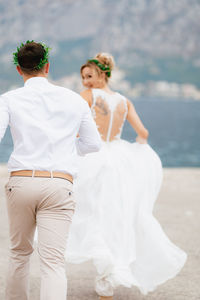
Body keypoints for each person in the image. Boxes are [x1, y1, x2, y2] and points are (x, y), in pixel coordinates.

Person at [66, 53, 187, 300]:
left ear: (102, 74)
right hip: (118, 161)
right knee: (113, 218)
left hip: (93, 160)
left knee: (90, 216)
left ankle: (106, 279)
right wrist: (137, 149)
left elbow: (71, 127)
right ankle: (107, 280)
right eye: (83, 78)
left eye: (89, 76)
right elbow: (143, 132)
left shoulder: (87, 97)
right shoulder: (125, 101)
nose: (85, 82)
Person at [0, 40, 101, 300]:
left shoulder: (8, 99)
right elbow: (92, 144)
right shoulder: (73, 99)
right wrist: (66, 148)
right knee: (53, 263)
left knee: (19, 254)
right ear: (47, 67)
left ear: (19, 70)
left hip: (21, 183)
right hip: (59, 184)